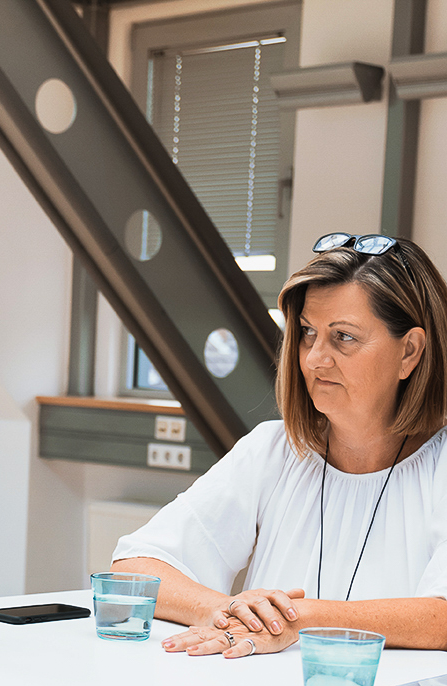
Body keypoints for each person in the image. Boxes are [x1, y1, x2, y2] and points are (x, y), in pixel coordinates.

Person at [113, 234, 447, 661]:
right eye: (308, 332)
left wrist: (300, 619)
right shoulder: (272, 450)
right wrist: (228, 610)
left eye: (343, 337)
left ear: (410, 352)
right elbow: (133, 566)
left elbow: (440, 619)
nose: (313, 359)